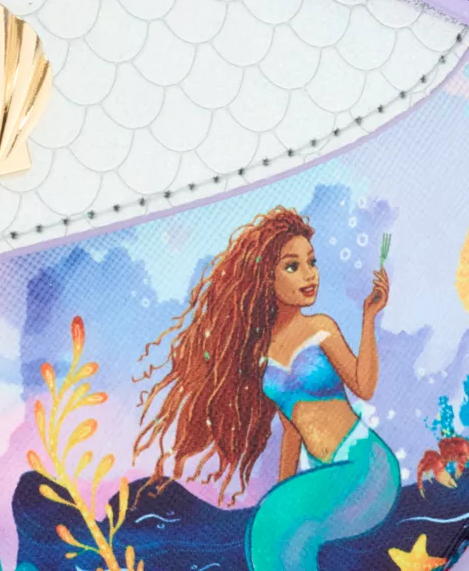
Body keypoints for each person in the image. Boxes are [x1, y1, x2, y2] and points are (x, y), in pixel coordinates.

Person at [133, 207, 400, 570]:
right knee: (275, 527)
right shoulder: (262, 356)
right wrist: (281, 491)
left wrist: (369, 318)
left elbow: (364, 386)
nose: (310, 274)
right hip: (325, 473)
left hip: (366, 466)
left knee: (274, 525)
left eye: (312, 262)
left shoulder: (321, 328)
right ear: (265, 278)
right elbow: (292, 428)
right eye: (293, 266)